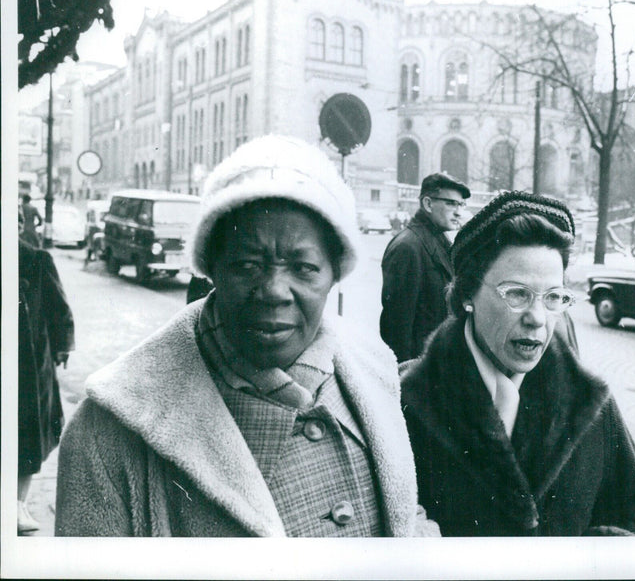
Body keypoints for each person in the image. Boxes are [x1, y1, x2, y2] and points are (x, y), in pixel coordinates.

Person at [55, 135, 439, 537]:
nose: (274, 290)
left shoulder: (373, 368)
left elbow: (403, 513)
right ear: (211, 268)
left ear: (334, 275)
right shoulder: (106, 433)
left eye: (304, 267)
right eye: (246, 264)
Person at [401, 191, 635, 536]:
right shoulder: (402, 399)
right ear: (466, 295)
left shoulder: (592, 405)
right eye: (517, 294)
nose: (538, 318)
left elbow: (632, 520)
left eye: (553, 297)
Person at [379, 172, 470, 363]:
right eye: (451, 203)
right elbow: (396, 328)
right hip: (418, 369)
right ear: (428, 204)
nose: (458, 212)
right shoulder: (408, 247)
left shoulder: (437, 240)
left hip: (436, 362)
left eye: (461, 205)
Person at [18, 236, 75, 533]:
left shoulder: (36, 259)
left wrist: (63, 346)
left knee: (29, 435)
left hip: (29, 364)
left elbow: (59, 307)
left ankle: (17, 503)